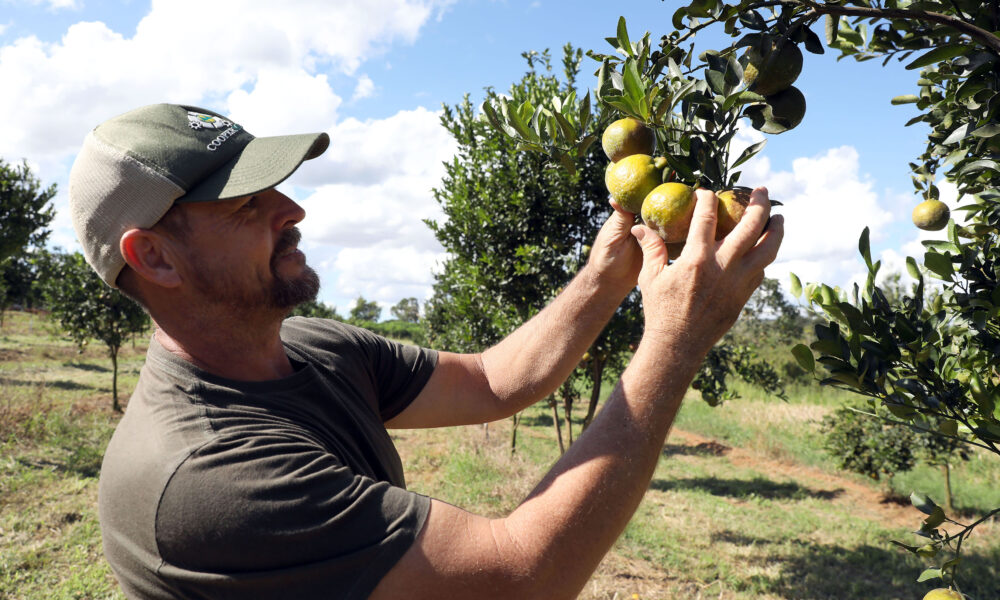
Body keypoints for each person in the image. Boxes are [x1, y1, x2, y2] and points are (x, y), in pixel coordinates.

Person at [69, 103, 783, 600]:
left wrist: (606, 275)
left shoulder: (313, 349)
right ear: (155, 257)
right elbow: (521, 580)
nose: (292, 210)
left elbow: (492, 381)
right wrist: (675, 342)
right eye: (245, 205)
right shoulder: (206, 476)